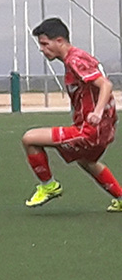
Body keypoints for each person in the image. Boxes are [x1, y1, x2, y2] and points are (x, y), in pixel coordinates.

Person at [21, 17, 122, 210]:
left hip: (91, 129)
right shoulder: (75, 59)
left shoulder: (75, 59)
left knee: (29, 139)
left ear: (59, 41)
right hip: (102, 128)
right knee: (87, 161)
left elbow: (105, 85)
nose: (42, 49)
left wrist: (97, 112)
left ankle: (49, 186)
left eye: (44, 43)